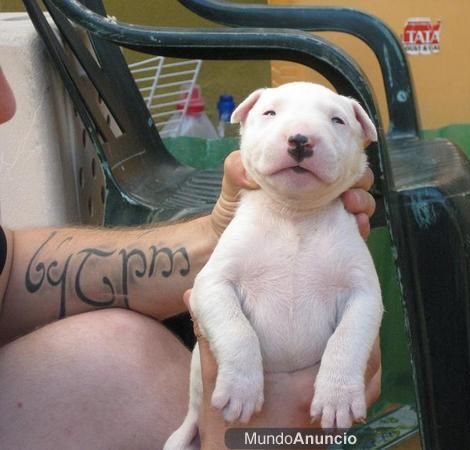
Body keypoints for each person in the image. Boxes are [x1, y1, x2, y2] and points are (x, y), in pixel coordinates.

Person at [0, 66, 381, 449]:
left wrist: (340, 371)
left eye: (336, 121)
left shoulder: (335, 225)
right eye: (270, 114)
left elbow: (10, 265)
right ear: (245, 127)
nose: (7, 104)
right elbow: (212, 289)